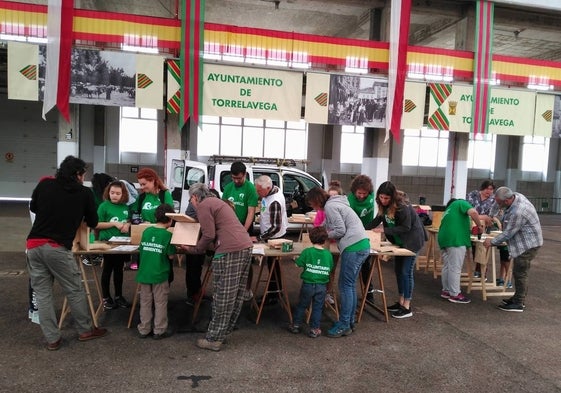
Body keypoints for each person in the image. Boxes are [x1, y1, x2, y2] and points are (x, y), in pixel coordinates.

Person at [26, 155, 107, 350]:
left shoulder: (45, 184)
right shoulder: (84, 193)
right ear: (78, 174)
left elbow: (33, 206)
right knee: (74, 289)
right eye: (83, 174)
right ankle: (85, 330)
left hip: (33, 245)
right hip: (57, 247)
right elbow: (93, 222)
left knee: (43, 294)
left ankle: (52, 339)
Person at [180, 183, 253, 352]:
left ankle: (214, 339)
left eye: (190, 199)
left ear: (195, 197)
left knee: (223, 295)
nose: (191, 203)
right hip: (244, 246)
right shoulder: (218, 202)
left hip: (230, 250)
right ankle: (222, 332)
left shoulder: (204, 205)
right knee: (235, 294)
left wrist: (195, 249)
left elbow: (209, 234)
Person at [306, 186, 370, 338]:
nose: (313, 208)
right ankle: (350, 321)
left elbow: (340, 230)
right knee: (350, 285)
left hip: (353, 247)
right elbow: (329, 223)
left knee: (345, 286)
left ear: (316, 201)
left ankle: (343, 325)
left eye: (312, 205)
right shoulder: (336, 203)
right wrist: (320, 229)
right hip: (361, 245)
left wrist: (324, 236)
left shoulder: (330, 206)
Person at [366, 181, 426, 319]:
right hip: (400, 243)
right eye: (381, 197)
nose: (383, 200)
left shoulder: (402, 207)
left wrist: (384, 229)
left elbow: (406, 227)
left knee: (406, 272)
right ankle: (400, 302)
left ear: (392, 197)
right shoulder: (383, 206)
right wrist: (362, 229)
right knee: (399, 271)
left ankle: (407, 306)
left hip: (412, 242)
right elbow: (377, 220)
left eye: (386, 198)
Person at [483, 187, 543, 312]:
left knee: (520, 272)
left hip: (528, 244)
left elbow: (508, 233)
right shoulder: (512, 195)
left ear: (507, 201)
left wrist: (492, 242)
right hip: (522, 241)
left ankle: (519, 303)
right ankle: (517, 298)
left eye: (500, 203)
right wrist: (490, 216)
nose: (497, 205)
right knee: (518, 272)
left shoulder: (519, 211)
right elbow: (496, 204)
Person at [136, 203, 176, 339]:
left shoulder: (146, 232)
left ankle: (144, 328)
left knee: (145, 302)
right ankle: (159, 330)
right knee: (160, 302)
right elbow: (170, 256)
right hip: (159, 274)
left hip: (144, 274)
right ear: (170, 219)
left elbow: (141, 250)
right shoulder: (167, 235)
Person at [222, 161, 259, 299]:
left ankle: (247, 289)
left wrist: (243, 231)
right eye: (234, 178)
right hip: (229, 226)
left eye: (239, 178)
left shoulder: (250, 188)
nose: (236, 181)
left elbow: (251, 212)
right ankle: (230, 288)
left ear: (244, 175)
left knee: (246, 261)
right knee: (229, 259)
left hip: (245, 226)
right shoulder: (228, 188)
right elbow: (223, 207)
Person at [288, 226, 334, 338]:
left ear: (311, 239)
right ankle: (315, 329)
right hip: (322, 285)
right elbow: (331, 268)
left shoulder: (307, 252)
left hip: (308, 284)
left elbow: (297, 264)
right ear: (325, 240)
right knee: (318, 307)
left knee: (302, 305)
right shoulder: (328, 254)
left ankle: (296, 325)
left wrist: (295, 259)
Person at [438, 198, 483, 304]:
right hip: (455, 239)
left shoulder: (448, 211)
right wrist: (479, 226)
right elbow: (474, 212)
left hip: (444, 238)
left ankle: (446, 290)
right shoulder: (460, 203)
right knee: (455, 267)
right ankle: (455, 294)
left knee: (447, 266)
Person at [96, 180, 131, 310]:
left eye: (118, 193)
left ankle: (118, 296)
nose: (115, 195)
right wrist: (114, 224)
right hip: (108, 244)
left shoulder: (125, 207)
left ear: (123, 194)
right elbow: (96, 224)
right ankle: (106, 297)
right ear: (108, 193)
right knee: (107, 269)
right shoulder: (103, 206)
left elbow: (128, 220)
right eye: (112, 193)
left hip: (123, 243)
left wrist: (127, 224)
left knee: (119, 270)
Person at [130, 168, 174, 270]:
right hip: (147, 236)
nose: (142, 187)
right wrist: (141, 222)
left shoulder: (164, 194)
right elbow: (134, 215)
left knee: (163, 267)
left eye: (144, 184)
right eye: (140, 184)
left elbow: (169, 214)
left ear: (153, 180)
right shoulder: (141, 198)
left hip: (162, 237)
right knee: (146, 267)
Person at [254, 175, 288, 303]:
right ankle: (275, 292)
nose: (258, 193)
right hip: (269, 235)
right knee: (272, 266)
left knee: (274, 267)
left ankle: (274, 295)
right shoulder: (270, 192)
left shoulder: (275, 201)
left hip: (275, 238)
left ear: (268, 188)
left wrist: (259, 237)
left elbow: (275, 227)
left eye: (259, 191)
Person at [312, 180, 343, 305]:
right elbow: (317, 226)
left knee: (331, 270)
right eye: (330, 196)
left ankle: (328, 293)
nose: (332, 199)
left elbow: (340, 229)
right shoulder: (322, 211)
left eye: (335, 196)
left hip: (336, 244)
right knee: (320, 269)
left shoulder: (337, 210)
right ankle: (317, 292)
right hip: (323, 244)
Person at [347, 174, 376, 301]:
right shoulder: (350, 200)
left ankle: (369, 292)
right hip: (353, 233)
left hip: (367, 232)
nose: (362, 196)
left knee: (366, 264)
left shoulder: (372, 196)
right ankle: (350, 292)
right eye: (359, 193)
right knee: (352, 265)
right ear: (354, 191)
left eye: (364, 193)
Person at [467, 180, 497, 280]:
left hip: (486, 227)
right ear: (482, 188)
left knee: (483, 248)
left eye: (491, 189)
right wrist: (482, 216)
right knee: (474, 248)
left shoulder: (493, 200)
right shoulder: (473, 195)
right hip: (472, 225)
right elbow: (468, 210)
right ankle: (477, 269)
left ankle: (482, 271)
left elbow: (492, 216)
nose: (489, 191)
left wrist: (482, 217)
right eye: (487, 189)